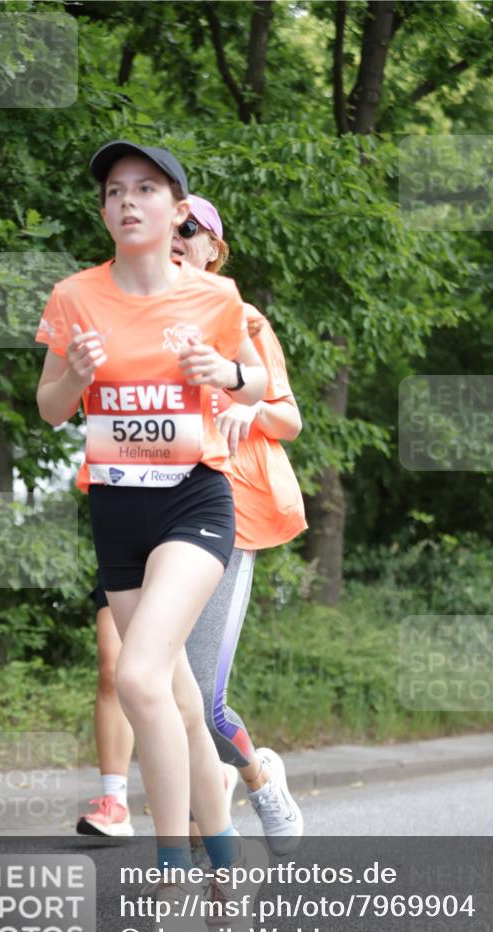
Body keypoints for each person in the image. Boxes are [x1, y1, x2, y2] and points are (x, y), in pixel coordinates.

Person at [35, 141, 268, 901]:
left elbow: (259, 380)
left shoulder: (215, 297)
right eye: (112, 191)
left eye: (144, 189)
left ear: (176, 211)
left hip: (194, 500)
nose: (126, 202)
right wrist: (74, 373)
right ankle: (228, 872)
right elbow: (49, 407)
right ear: (103, 210)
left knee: (136, 674)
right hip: (116, 509)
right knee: (176, 704)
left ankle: (172, 871)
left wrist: (228, 378)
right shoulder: (74, 296)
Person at [76, 194, 307, 855]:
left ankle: (257, 781)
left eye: (190, 231)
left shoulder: (241, 318)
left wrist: (241, 402)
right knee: (135, 673)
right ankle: (176, 831)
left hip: (224, 512)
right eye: (167, 229)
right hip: (141, 512)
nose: (175, 238)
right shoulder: (129, 311)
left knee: (200, 699)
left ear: (214, 249)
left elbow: (286, 416)